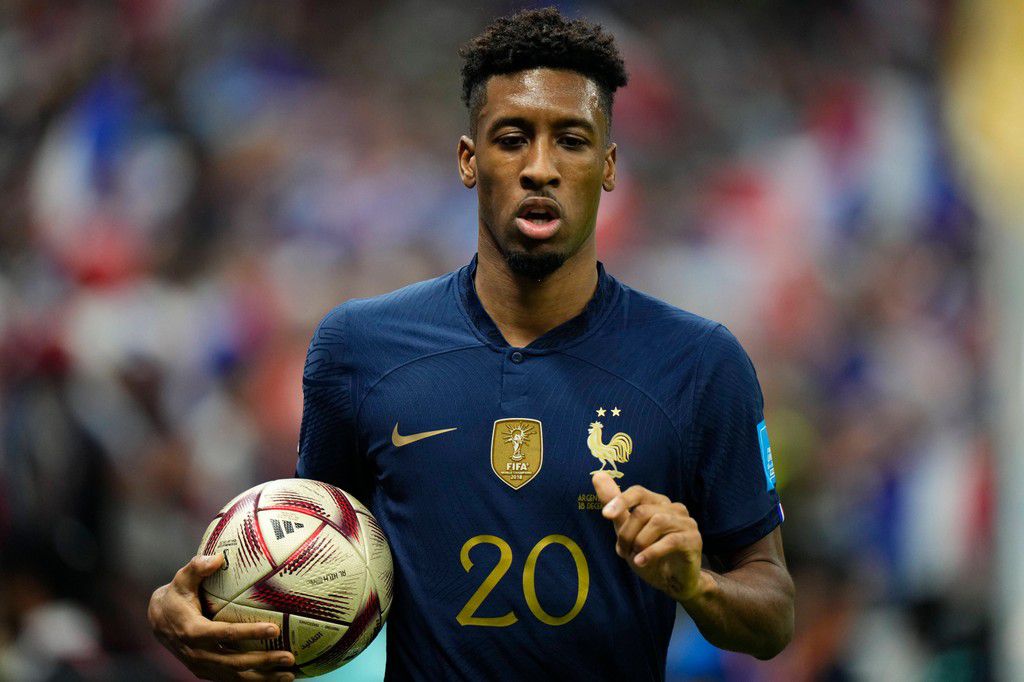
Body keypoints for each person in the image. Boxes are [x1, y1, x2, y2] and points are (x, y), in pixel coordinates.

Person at [148, 8, 794, 680]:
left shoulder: (699, 365)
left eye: (570, 141)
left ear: (607, 167)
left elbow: (773, 615)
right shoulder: (356, 349)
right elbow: (315, 574)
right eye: (513, 138)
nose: (540, 168)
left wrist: (699, 585)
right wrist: (187, 609)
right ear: (468, 158)